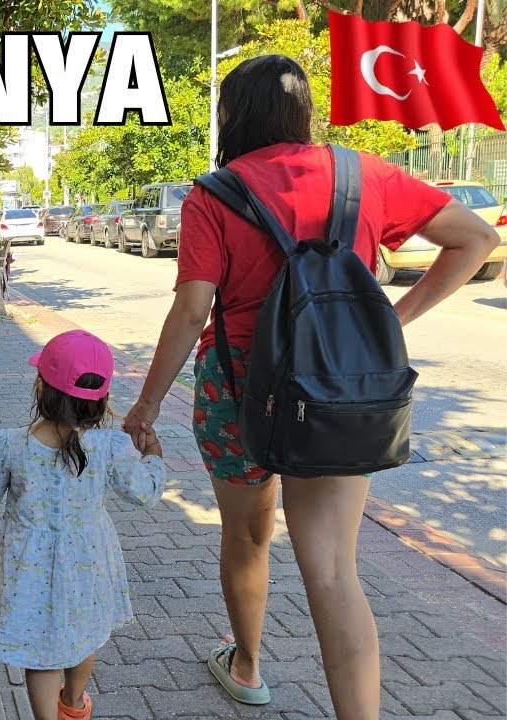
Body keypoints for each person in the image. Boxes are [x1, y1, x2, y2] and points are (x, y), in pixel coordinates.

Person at [120, 55, 499, 718]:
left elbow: (191, 309)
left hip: (235, 391)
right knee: (332, 571)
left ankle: (246, 667)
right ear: (302, 113)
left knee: (247, 536)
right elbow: (475, 239)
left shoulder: (215, 194)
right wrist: (390, 322)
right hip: (337, 391)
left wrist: (146, 405)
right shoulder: (365, 174)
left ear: (231, 116)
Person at [0, 329, 164, 720]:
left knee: (40, 652)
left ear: (41, 387)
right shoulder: (111, 447)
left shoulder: (11, 444)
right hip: (89, 566)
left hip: (29, 571)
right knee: (83, 634)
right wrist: (153, 453)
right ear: (101, 399)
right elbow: (145, 492)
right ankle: (72, 705)